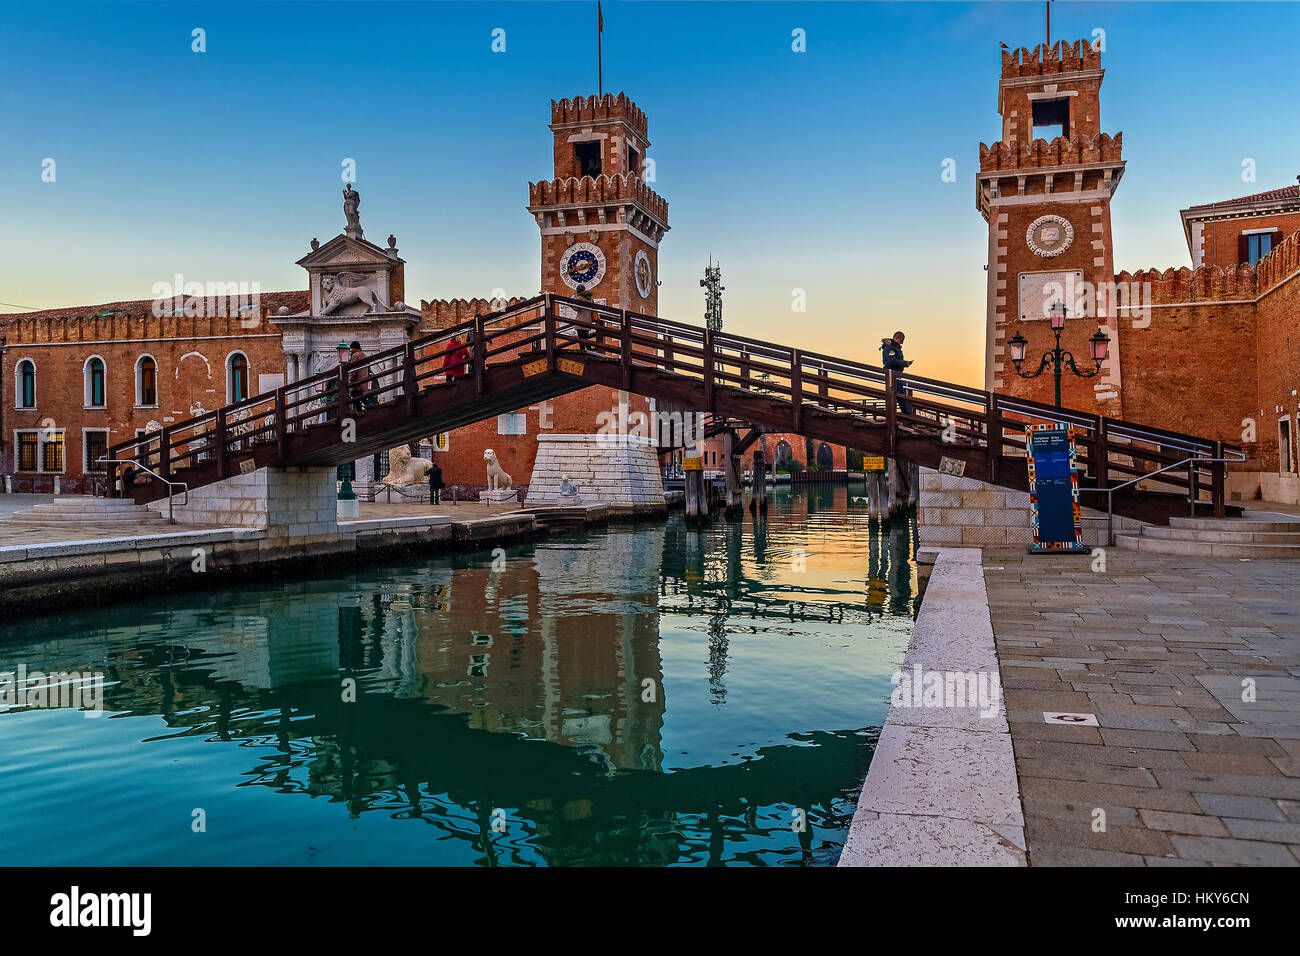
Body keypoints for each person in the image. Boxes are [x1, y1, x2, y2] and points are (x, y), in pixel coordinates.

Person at [880, 330, 914, 416]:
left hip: (896, 375)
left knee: (898, 395)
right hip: (892, 375)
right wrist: (905, 363)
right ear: (896, 338)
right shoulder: (890, 348)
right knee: (900, 394)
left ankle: (904, 414)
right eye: (901, 340)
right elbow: (892, 361)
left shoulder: (894, 348)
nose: (902, 343)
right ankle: (906, 415)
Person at [348, 341, 375, 413]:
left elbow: (354, 368)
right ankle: (369, 406)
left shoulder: (355, 355)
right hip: (364, 380)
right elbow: (369, 368)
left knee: (354, 395)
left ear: (353, 348)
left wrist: (350, 378)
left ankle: (360, 410)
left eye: (351, 349)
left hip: (357, 381)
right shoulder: (364, 355)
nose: (351, 351)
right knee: (360, 396)